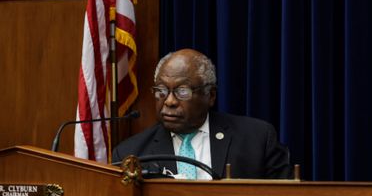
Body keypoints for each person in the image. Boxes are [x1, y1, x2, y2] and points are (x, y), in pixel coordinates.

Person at [112, 48, 291, 179]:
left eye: (183, 92)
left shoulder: (257, 139)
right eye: (161, 91)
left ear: (210, 95)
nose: (169, 101)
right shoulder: (131, 154)